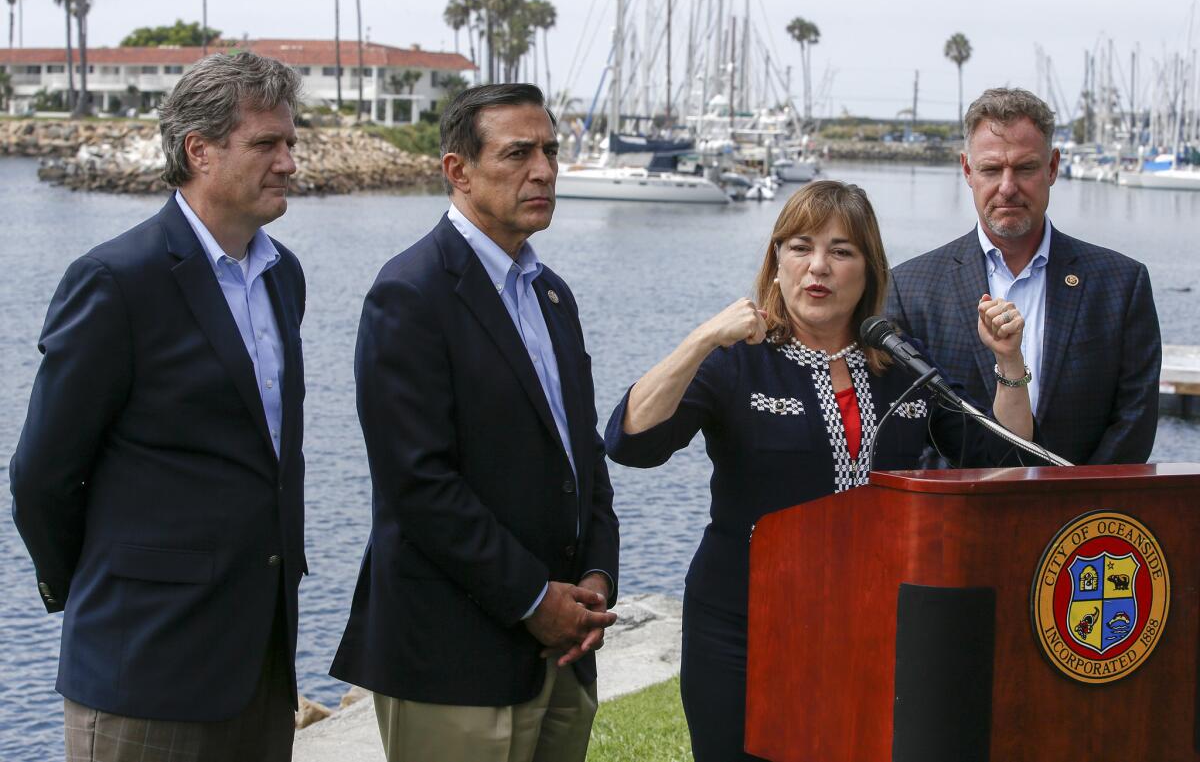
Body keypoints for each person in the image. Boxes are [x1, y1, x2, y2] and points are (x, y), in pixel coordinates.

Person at [605, 180, 1036, 762]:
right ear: (776, 262)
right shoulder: (736, 360)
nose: (818, 267)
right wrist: (702, 339)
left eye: (841, 251)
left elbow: (1001, 464)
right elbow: (632, 443)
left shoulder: (901, 363)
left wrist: (1008, 363)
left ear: (868, 269)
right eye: (800, 247)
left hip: (872, 624)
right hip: (744, 627)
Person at [9, 51, 307, 761]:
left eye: (292, 142)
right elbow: (41, 476)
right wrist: (108, 587)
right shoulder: (116, 281)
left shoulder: (282, 276)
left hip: (261, 667)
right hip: (141, 667)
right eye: (268, 143)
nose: (290, 161)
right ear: (199, 151)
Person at [330, 83, 619, 762]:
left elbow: (583, 458)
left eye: (550, 150)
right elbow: (418, 482)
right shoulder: (410, 292)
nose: (544, 170)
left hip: (565, 655)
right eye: (518, 153)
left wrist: (599, 577)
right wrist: (531, 599)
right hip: (454, 659)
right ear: (458, 171)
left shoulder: (551, 294)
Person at [887, 87, 1160, 465]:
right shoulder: (908, 288)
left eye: (1025, 168)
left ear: (1052, 167)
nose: (1007, 187)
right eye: (991, 169)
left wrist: (1078, 510)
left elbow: (1134, 420)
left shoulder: (1121, 284)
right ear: (967, 169)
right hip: (954, 518)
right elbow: (904, 431)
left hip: (1082, 517)